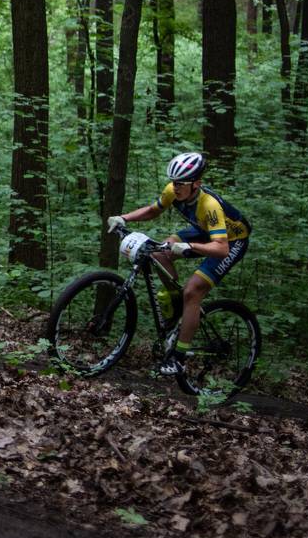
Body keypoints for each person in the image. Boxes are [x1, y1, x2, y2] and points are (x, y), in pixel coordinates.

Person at [106, 151, 252, 376]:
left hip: (231, 242)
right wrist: (124, 218)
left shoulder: (210, 205)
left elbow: (221, 249)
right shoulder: (172, 191)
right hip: (204, 230)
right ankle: (178, 307)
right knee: (158, 253)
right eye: (174, 182)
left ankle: (179, 358)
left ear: (196, 184)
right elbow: (153, 210)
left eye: (181, 183)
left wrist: (190, 247)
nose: (175, 187)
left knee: (193, 291)